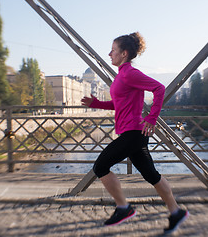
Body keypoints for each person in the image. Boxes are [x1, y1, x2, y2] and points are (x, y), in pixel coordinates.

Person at [81, 32, 189, 234]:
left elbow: (159, 88)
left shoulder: (130, 73)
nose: (109, 54)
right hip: (132, 133)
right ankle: (176, 212)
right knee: (152, 175)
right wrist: (96, 104)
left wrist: (152, 118)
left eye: (113, 50)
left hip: (134, 132)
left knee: (100, 166)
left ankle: (124, 207)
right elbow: (118, 103)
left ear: (123, 53)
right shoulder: (121, 76)